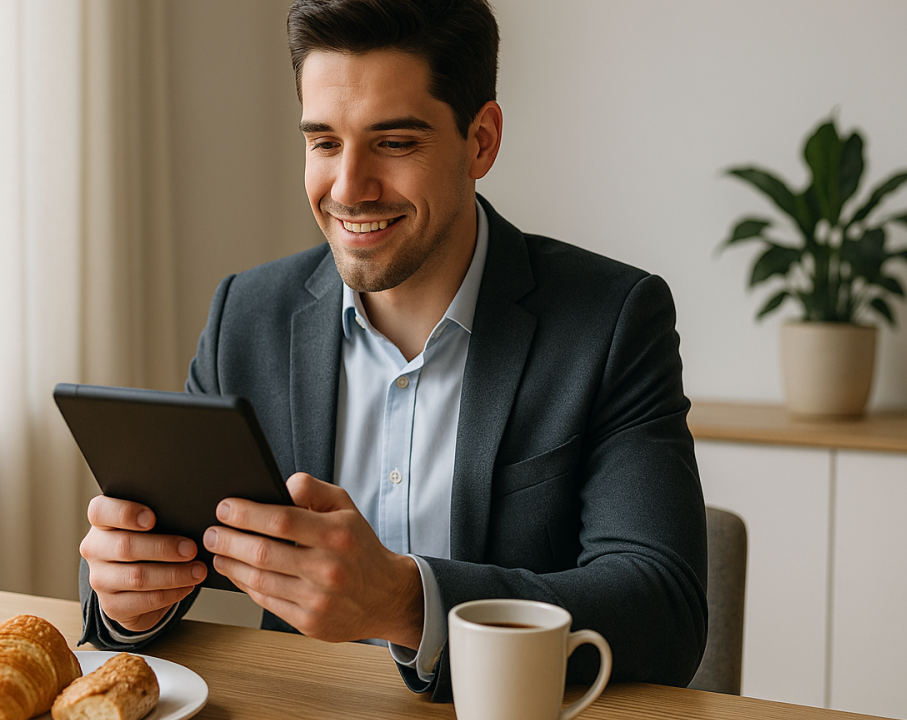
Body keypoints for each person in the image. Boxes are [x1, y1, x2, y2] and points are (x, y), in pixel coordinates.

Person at [78, 0, 707, 702]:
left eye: (395, 143)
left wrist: (408, 603)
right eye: (323, 142)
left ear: (482, 141)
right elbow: (169, 542)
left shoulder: (612, 320)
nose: (348, 189)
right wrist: (131, 596)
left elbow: (664, 611)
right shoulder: (247, 316)